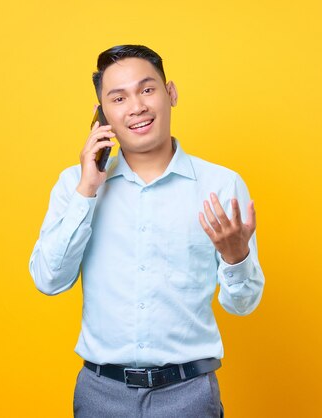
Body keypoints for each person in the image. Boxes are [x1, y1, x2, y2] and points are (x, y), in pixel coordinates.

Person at [29, 45, 265, 418]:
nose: (136, 106)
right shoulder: (75, 185)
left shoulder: (220, 185)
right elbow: (49, 280)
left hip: (189, 394)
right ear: (102, 114)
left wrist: (237, 257)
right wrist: (88, 190)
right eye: (118, 98)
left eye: (147, 89)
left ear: (170, 93)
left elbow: (243, 304)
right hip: (100, 395)